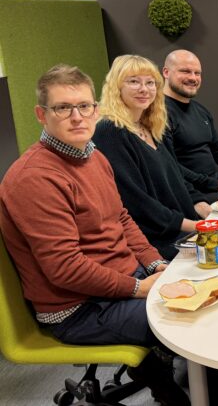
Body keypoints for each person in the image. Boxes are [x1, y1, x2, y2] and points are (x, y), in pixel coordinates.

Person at [0, 65, 189, 405]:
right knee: (194, 319)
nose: (77, 117)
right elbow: (65, 269)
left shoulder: (94, 156)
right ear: (42, 115)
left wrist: (156, 264)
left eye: (84, 106)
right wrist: (139, 288)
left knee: (206, 290)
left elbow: (121, 218)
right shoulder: (34, 178)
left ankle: (166, 380)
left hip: (121, 283)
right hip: (79, 309)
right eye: (63, 108)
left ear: (96, 109)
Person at [93, 55, 210, 260]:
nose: (144, 89)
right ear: (116, 87)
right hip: (157, 242)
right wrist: (195, 226)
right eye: (134, 81)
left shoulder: (151, 127)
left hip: (183, 228)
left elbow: (176, 176)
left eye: (150, 83)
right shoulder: (110, 130)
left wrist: (201, 205)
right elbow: (136, 202)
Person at [163, 49, 218, 203]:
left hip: (214, 182)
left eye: (197, 73)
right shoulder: (158, 114)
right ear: (166, 72)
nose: (193, 78)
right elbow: (169, 166)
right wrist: (216, 185)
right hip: (191, 192)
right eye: (185, 71)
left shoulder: (200, 110)